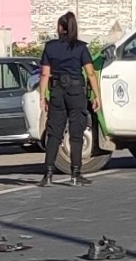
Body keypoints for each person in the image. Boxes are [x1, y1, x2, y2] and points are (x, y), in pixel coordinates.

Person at [38, 11, 102, 187]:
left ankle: (48, 174)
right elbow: (90, 73)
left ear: (61, 27)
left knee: (54, 133)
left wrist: (43, 96)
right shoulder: (80, 47)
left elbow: (44, 74)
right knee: (76, 133)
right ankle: (75, 174)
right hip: (76, 92)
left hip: (57, 91)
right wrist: (97, 95)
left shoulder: (50, 47)